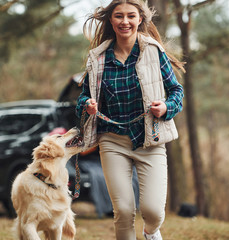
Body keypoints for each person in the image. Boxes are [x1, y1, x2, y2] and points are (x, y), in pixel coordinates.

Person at [75, 0, 185, 240]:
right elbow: (82, 98)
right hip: (112, 141)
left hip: (150, 139)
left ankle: (150, 233)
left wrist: (166, 107)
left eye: (131, 16)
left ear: (140, 19)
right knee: (123, 211)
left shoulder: (153, 52)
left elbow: (177, 91)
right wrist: (88, 105)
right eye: (119, 16)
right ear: (111, 20)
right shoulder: (98, 58)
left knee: (153, 212)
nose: (125, 21)